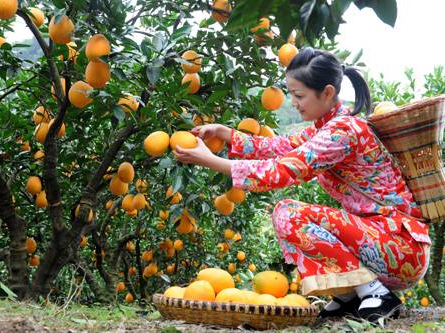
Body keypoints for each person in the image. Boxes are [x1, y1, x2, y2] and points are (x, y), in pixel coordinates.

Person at [173, 47, 431, 322]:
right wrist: (226, 134)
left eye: (299, 95)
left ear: (328, 93)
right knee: (290, 216)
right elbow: (279, 147)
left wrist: (210, 160)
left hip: (400, 249)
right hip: (381, 243)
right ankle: (348, 295)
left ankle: (377, 294)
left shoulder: (344, 132)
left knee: (289, 214)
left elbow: (284, 169)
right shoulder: (324, 129)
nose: (294, 102)